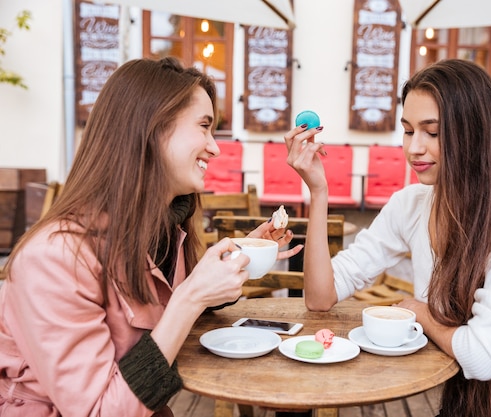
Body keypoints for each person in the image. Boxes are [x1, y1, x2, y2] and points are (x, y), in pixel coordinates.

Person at [284, 59, 491, 417]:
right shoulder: (410, 204)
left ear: (473, 134)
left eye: (432, 133)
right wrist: (318, 191)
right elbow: (319, 296)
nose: (414, 149)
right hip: (466, 405)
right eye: (408, 131)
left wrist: (421, 312)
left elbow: (484, 356)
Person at [0, 57, 302, 416]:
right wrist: (190, 297)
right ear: (152, 129)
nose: (215, 147)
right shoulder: (53, 259)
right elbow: (100, 410)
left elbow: (168, 301)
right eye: (203, 127)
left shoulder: (162, 229)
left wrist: (244, 252)